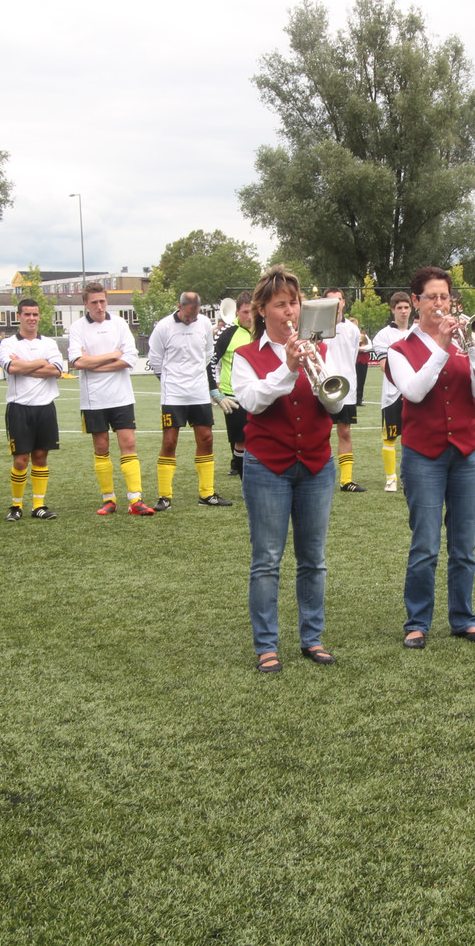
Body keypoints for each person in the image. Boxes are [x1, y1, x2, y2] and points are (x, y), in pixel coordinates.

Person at [232, 265, 346, 672]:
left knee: (313, 558)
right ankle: (267, 645)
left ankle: (312, 638)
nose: (290, 312)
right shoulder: (246, 356)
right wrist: (289, 367)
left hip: (316, 463)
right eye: (280, 304)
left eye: (294, 303)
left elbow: (336, 404)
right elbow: (252, 401)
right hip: (267, 466)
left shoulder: (322, 349)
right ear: (261, 310)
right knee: (266, 559)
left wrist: (320, 376)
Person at [386, 266, 475, 648]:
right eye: (431, 297)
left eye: (444, 297)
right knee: (426, 544)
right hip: (423, 454)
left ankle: (464, 619)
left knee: (464, 544)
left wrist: (474, 350)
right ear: (416, 302)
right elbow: (414, 392)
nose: (439, 304)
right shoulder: (399, 349)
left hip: (466, 451)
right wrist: (443, 348)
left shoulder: (464, 341)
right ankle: (417, 622)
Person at [68, 282, 153, 516]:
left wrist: (95, 364)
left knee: (129, 444)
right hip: (93, 399)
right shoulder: (77, 327)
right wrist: (114, 355)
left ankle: (135, 499)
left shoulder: (120, 323)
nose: (99, 306)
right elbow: (78, 362)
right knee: (101, 446)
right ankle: (109, 500)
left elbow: (130, 358)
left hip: (121, 397)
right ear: (86, 304)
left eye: (102, 301)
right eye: (94, 302)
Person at [147, 292, 226, 509]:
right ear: (179, 307)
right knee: (169, 442)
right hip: (173, 394)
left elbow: (208, 353)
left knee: (206, 439)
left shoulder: (204, 324)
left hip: (199, 392)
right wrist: (170, 381)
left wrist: (200, 380)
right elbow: (155, 359)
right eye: (188, 316)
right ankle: (165, 496)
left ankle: (207, 494)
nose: (191, 320)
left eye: (195, 316)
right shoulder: (163, 327)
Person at [0, 297, 66, 520]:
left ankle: (38, 506)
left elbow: (57, 370)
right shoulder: (8, 344)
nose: (31, 318)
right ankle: (16, 506)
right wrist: (41, 362)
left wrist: (23, 366)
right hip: (19, 408)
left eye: (35, 314)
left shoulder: (49, 343)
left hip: (45, 407)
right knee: (20, 460)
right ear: (19, 316)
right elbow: (10, 367)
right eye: (27, 314)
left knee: (40, 457)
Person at [320, 287, 366, 493]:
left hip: (346, 388)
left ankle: (346, 480)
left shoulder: (352, 330)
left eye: (339, 299)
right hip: (321, 388)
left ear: (344, 302)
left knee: (345, 432)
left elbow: (352, 356)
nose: (336, 304)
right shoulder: (318, 329)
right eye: (331, 300)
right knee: (320, 432)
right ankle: (319, 476)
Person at [372, 292, 414, 491]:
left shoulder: (418, 331)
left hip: (415, 392)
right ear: (393, 310)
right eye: (399, 308)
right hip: (392, 394)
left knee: (412, 436)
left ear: (411, 309)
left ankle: (408, 477)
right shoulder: (383, 335)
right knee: (390, 436)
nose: (403, 311)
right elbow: (384, 365)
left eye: (406, 307)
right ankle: (391, 478)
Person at [208, 292, 254, 478]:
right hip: (234, 397)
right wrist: (215, 391)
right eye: (245, 312)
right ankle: (245, 483)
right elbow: (209, 362)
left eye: (252, 311)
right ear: (237, 312)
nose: (249, 316)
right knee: (241, 441)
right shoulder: (226, 333)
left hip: (261, 394)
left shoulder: (265, 329)